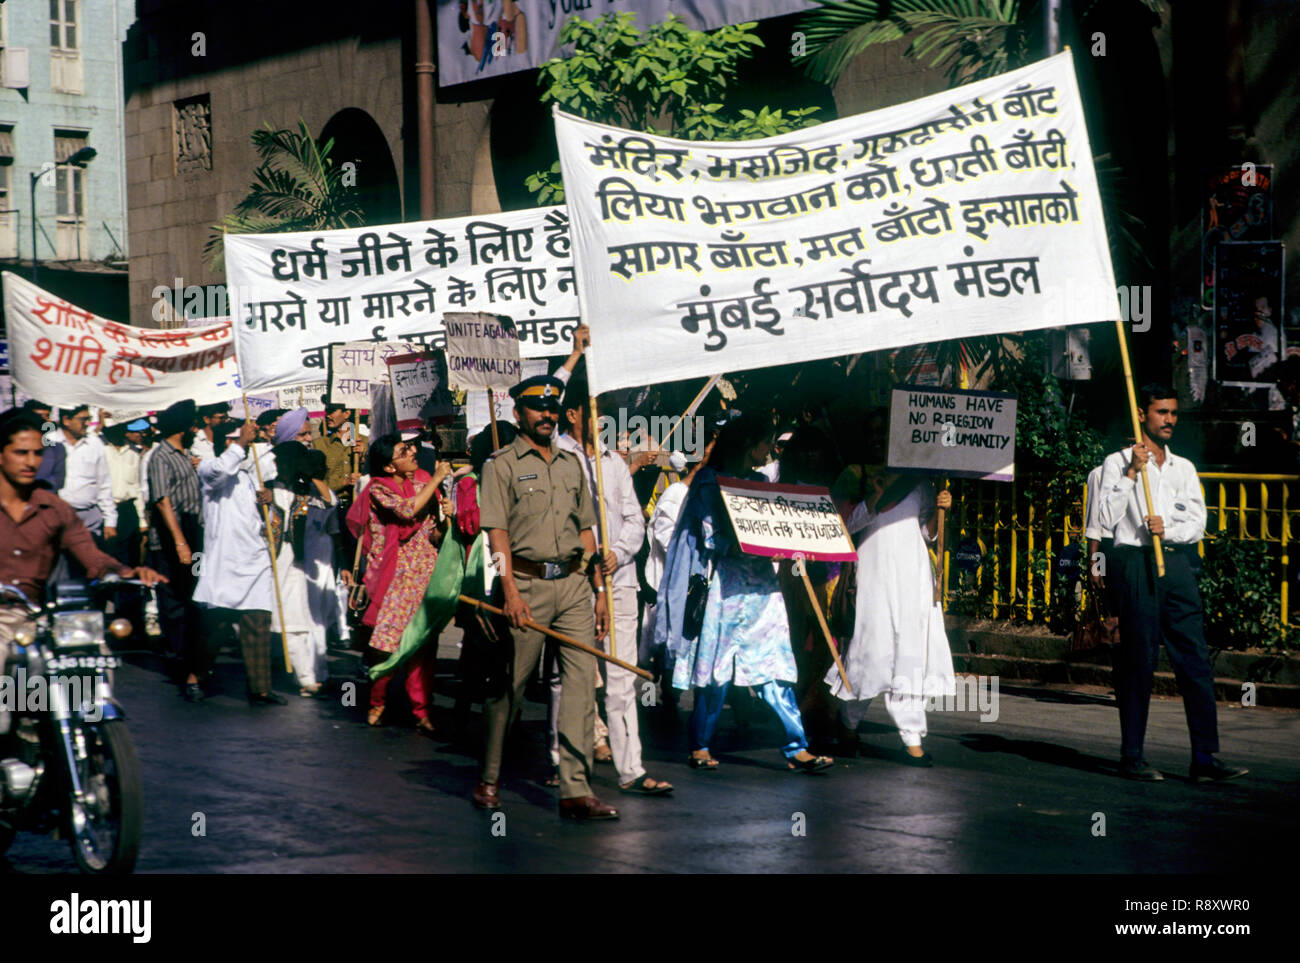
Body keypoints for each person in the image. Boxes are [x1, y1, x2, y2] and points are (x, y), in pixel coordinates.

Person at [655, 409, 834, 774]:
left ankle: (796, 746)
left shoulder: (757, 482)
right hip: (724, 587)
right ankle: (700, 744)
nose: (770, 448)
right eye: (766, 441)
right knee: (716, 668)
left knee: (775, 662)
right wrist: (748, 544)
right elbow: (710, 536)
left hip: (761, 588)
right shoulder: (708, 482)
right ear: (749, 444)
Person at [475, 374, 618, 820]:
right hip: (526, 584)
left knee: (580, 691)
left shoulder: (573, 464)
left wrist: (598, 591)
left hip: (574, 585)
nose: (547, 415)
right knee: (509, 689)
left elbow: (586, 529)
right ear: (518, 413)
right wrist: (510, 592)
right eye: (537, 407)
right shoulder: (499, 465)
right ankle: (490, 778)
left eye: (553, 408)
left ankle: (576, 789)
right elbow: (496, 534)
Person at [1096, 384, 1248, 783]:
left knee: (1195, 659)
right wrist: (1131, 473)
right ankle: (1133, 756)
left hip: (1177, 566)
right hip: (1136, 565)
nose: (1170, 420)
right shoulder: (1116, 462)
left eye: (1173, 413)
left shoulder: (1183, 467)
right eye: (1162, 412)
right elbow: (1106, 519)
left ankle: (1204, 758)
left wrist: (1170, 529)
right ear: (1143, 415)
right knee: (1138, 662)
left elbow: (1198, 522)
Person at [557, 376, 673, 797]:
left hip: (618, 581)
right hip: (571, 584)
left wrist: (618, 553)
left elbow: (634, 520)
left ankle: (632, 768)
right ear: (572, 415)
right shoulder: (556, 458)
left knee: (622, 675)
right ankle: (562, 760)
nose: (602, 419)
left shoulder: (614, 464)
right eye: (593, 410)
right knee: (567, 676)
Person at [0, 408, 164, 649]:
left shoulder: (54, 509)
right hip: (3, 621)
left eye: (38, 454)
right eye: (21, 453)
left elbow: (90, 554)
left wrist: (127, 571)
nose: (31, 462)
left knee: (97, 663)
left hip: (44, 617)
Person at [825, 470, 957, 766]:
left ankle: (912, 736)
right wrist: (873, 495)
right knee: (869, 648)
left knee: (909, 651)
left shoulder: (920, 483)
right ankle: (849, 721)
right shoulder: (856, 478)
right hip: (873, 571)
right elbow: (846, 526)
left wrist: (940, 509)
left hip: (913, 576)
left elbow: (927, 533)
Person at [347, 432, 452, 731]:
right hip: (394, 578)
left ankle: (421, 711)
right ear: (389, 466)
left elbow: (434, 526)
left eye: (410, 447)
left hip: (425, 573)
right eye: (404, 450)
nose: (413, 451)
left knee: (422, 645)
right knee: (385, 644)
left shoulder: (423, 478)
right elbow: (407, 510)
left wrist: (446, 516)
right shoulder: (378, 488)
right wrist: (437, 479)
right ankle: (376, 702)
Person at [192, 417, 284, 705]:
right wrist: (242, 443)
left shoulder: (248, 477)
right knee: (214, 629)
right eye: (235, 441)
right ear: (225, 444)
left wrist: (269, 501)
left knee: (257, 622)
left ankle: (261, 688)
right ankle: (196, 677)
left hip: (253, 558)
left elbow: (264, 519)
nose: (242, 448)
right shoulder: (208, 469)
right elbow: (220, 470)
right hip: (223, 561)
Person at [267, 443, 338, 697]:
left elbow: (331, 502)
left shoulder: (306, 490)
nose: (282, 467)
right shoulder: (268, 488)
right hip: (280, 562)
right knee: (290, 619)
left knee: (310, 621)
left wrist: (312, 476)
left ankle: (316, 674)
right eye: (280, 462)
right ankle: (305, 675)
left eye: (289, 462)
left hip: (306, 564)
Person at [146, 399, 204, 679]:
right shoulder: (161, 456)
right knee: (173, 604)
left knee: (191, 599)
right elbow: (162, 500)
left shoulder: (186, 454)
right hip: (170, 541)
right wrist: (180, 541)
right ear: (183, 428)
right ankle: (176, 660)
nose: (197, 428)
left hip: (193, 535)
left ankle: (191, 655)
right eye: (193, 424)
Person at [55, 404, 116, 541]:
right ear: (66, 420)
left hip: (90, 519)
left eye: (89, 419)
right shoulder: (49, 442)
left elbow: (104, 484)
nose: (88, 423)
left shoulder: (95, 444)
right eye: (83, 419)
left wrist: (110, 521)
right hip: (57, 518)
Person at [313, 403, 364, 500]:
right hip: (331, 505)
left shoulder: (363, 442)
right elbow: (317, 482)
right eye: (327, 411)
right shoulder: (320, 444)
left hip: (357, 504)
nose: (328, 416)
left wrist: (362, 459)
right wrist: (344, 482)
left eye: (332, 411)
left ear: (346, 414)